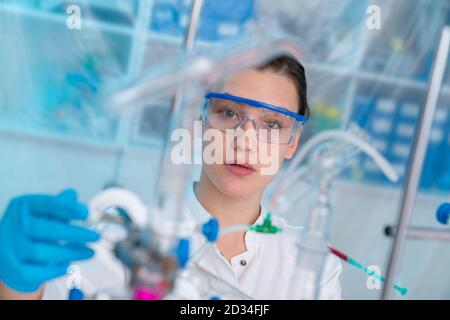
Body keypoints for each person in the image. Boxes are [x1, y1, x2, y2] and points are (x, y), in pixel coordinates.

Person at [0, 55, 342, 300]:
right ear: (200, 121)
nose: (245, 141)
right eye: (228, 113)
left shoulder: (313, 267)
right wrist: (12, 283)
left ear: (292, 142)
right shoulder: (115, 243)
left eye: (271, 124)